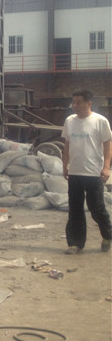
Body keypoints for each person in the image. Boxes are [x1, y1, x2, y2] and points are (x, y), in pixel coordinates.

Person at [61, 89, 112, 254]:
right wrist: (65, 165)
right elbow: (67, 144)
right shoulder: (70, 121)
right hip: (75, 172)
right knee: (75, 210)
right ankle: (75, 244)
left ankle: (107, 235)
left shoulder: (100, 121)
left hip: (93, 173)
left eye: (78, 102)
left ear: (89, 103)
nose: (74, 105)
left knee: (96, 208)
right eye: (73, 102)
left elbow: (107, 145)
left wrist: (106, 167)